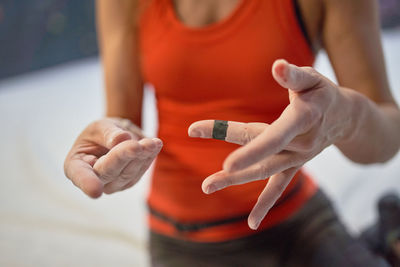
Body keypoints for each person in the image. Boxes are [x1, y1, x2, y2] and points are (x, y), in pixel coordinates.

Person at [64, 0, 400, 266]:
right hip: (181, 243)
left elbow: (388, 133)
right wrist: (115, 145)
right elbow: (124, 120)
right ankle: (384, 235)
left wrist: (347, 116)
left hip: (297, 222)